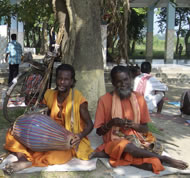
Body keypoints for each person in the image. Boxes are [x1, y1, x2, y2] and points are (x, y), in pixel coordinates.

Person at [90, 65, 188, 174]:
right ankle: (165, 159)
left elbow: (145, 129)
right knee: (125, 145)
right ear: (113, 83)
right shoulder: (104, 100)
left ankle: (120, 156)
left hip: (136, 140)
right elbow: (99, 132)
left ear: (131, 79)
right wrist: (112, 122)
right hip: (114, 140)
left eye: (126, 80)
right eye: (118, 81)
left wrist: (133, 125)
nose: (123, 84)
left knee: (152, 165)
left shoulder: (139, 98)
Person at [3, 64, 94, 174]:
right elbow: (41, 115)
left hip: (67, 140)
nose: (62, 82)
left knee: (55, 156)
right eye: (60, 78)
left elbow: (90, 124)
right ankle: (23, 159)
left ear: (72, 82)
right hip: (46, 135)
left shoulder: (78, 99)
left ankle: (31, 161)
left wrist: (79, 136)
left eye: (66, 80)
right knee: (12, 133)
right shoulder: (49, 94)